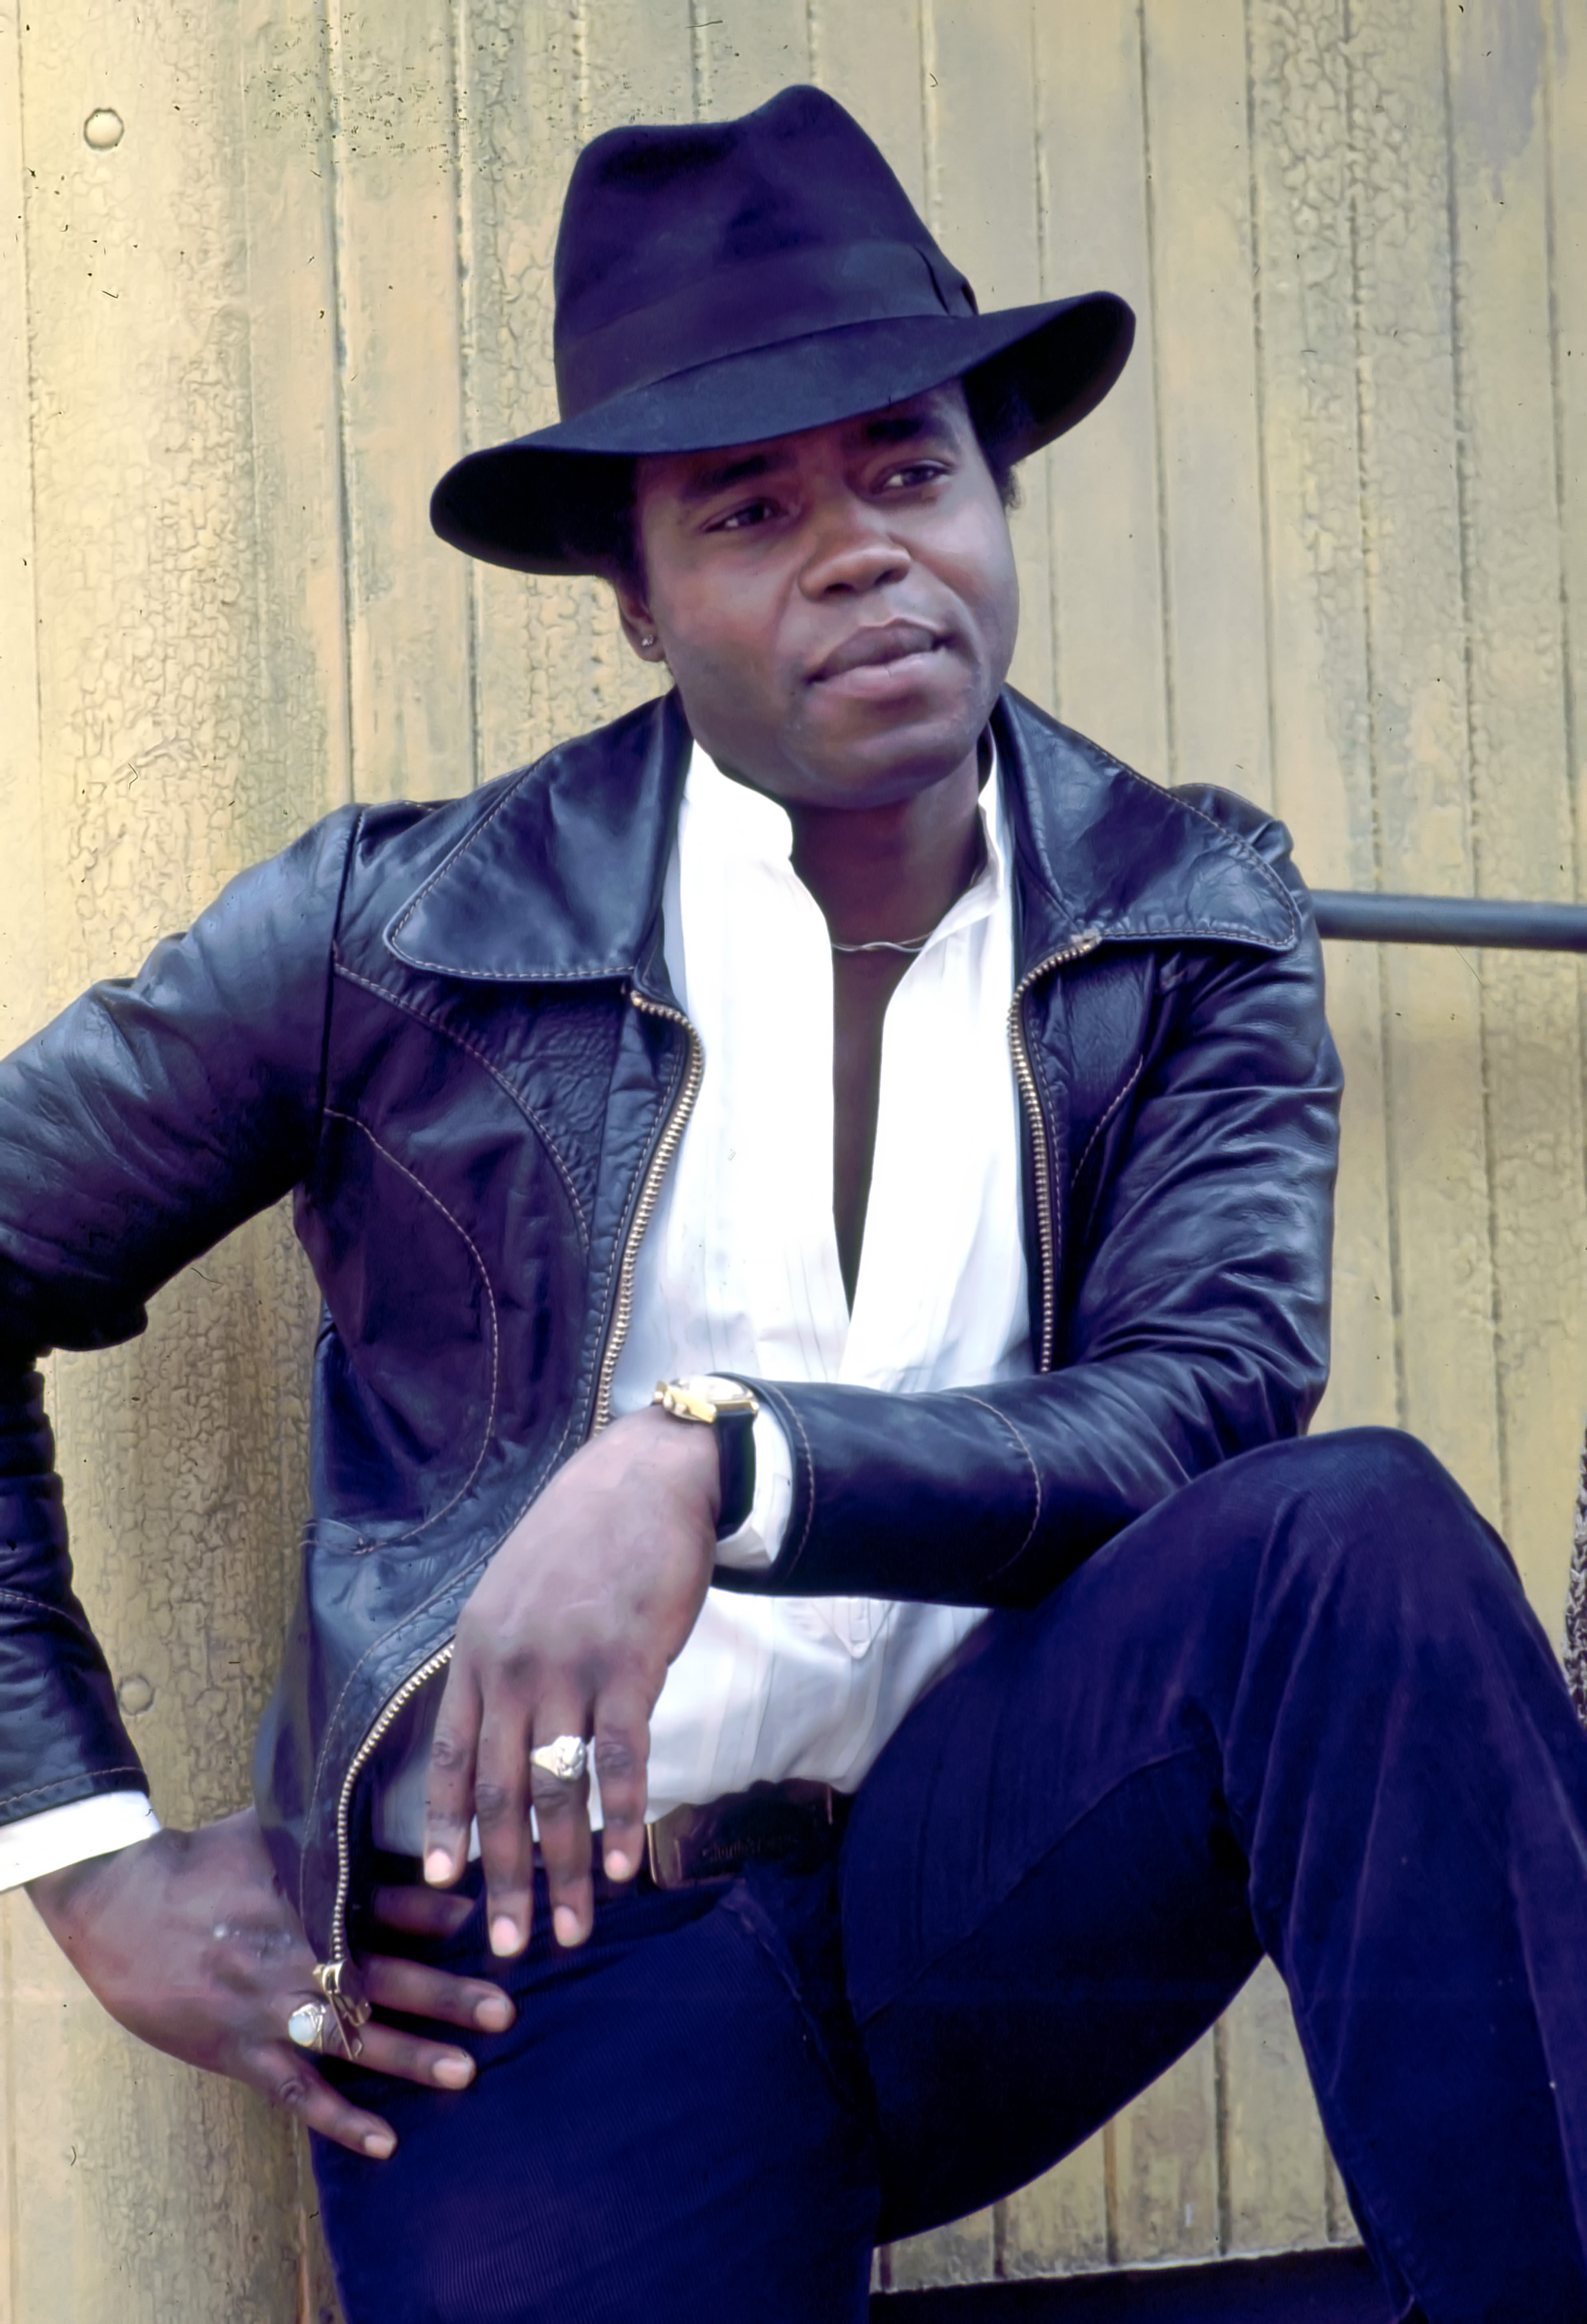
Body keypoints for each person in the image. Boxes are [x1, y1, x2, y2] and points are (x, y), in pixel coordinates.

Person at [3, 83, 1585, 2324]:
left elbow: (1208, 1395)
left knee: (1353, 1541)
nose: (862, 553)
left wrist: (718, 1465)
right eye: (752, 510)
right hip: (539, 1976)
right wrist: (83, 1861)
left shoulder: (1180, 904)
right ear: (631, 598)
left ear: (996, 495)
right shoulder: (399, 928)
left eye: (910, 471)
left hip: (979, 1866)